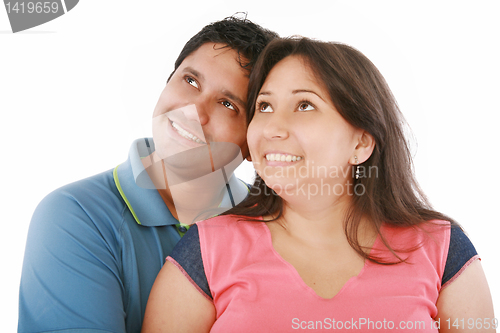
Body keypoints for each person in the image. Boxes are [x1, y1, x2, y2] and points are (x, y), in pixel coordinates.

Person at [142, 37, 496, 332]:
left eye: (305, 105)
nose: (273, 128)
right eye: (264, 107)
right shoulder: (204, 251)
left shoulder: (442, 248)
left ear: (361, 143)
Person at [18, 16, 278, 333]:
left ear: (254, 141)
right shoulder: (73, 217)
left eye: (227, 103)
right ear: (168, 81)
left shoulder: (273, 224)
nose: (194, 111)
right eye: (191, 81)